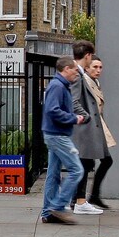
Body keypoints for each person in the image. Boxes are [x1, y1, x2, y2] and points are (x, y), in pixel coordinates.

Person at [39, 57, 88, 226]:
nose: (76, 72)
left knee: (53, 175)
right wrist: (73, 118)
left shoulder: (60, 85)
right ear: (66, 69)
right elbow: (53, 110)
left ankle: (48, 213)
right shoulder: (58, 86)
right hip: (58, 135)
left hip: (55, 134)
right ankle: (58, 207)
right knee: (76, 170)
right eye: (74, 69)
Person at [70, 42, 116, 214]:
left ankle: (79, 199)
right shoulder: (80, 77)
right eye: (95, 66)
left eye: (101, 67)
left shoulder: (92, 81)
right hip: (87, 127)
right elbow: (74, 102)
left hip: (94, 127)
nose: (98, 69)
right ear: (88, 57)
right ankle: (77, 200)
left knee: (87, 163)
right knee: (83, 163)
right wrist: (86, 116)